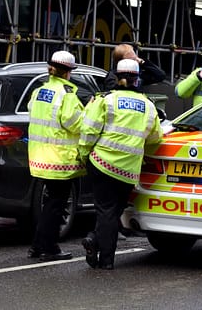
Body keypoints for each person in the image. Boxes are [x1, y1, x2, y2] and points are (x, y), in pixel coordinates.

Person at [79, 59, 163, 270]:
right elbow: (155, 139)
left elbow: (89, 130)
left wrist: (83, 154)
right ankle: (96, 243)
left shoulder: (105, 100)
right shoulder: (148, 105)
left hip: (102, 163)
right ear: (137, 79)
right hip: (128, 170)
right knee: (113, 211)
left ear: (116, 77)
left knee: (105, 211)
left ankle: (104, 258)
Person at [26, 50, 86, 262]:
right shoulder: (67, 95)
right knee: (56, 205)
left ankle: (37, 246)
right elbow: (76, 124)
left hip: (40, 157)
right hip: (59, 159)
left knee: (51, 203)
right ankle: (48, 247)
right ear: (68, 72)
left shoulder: (39, 91)